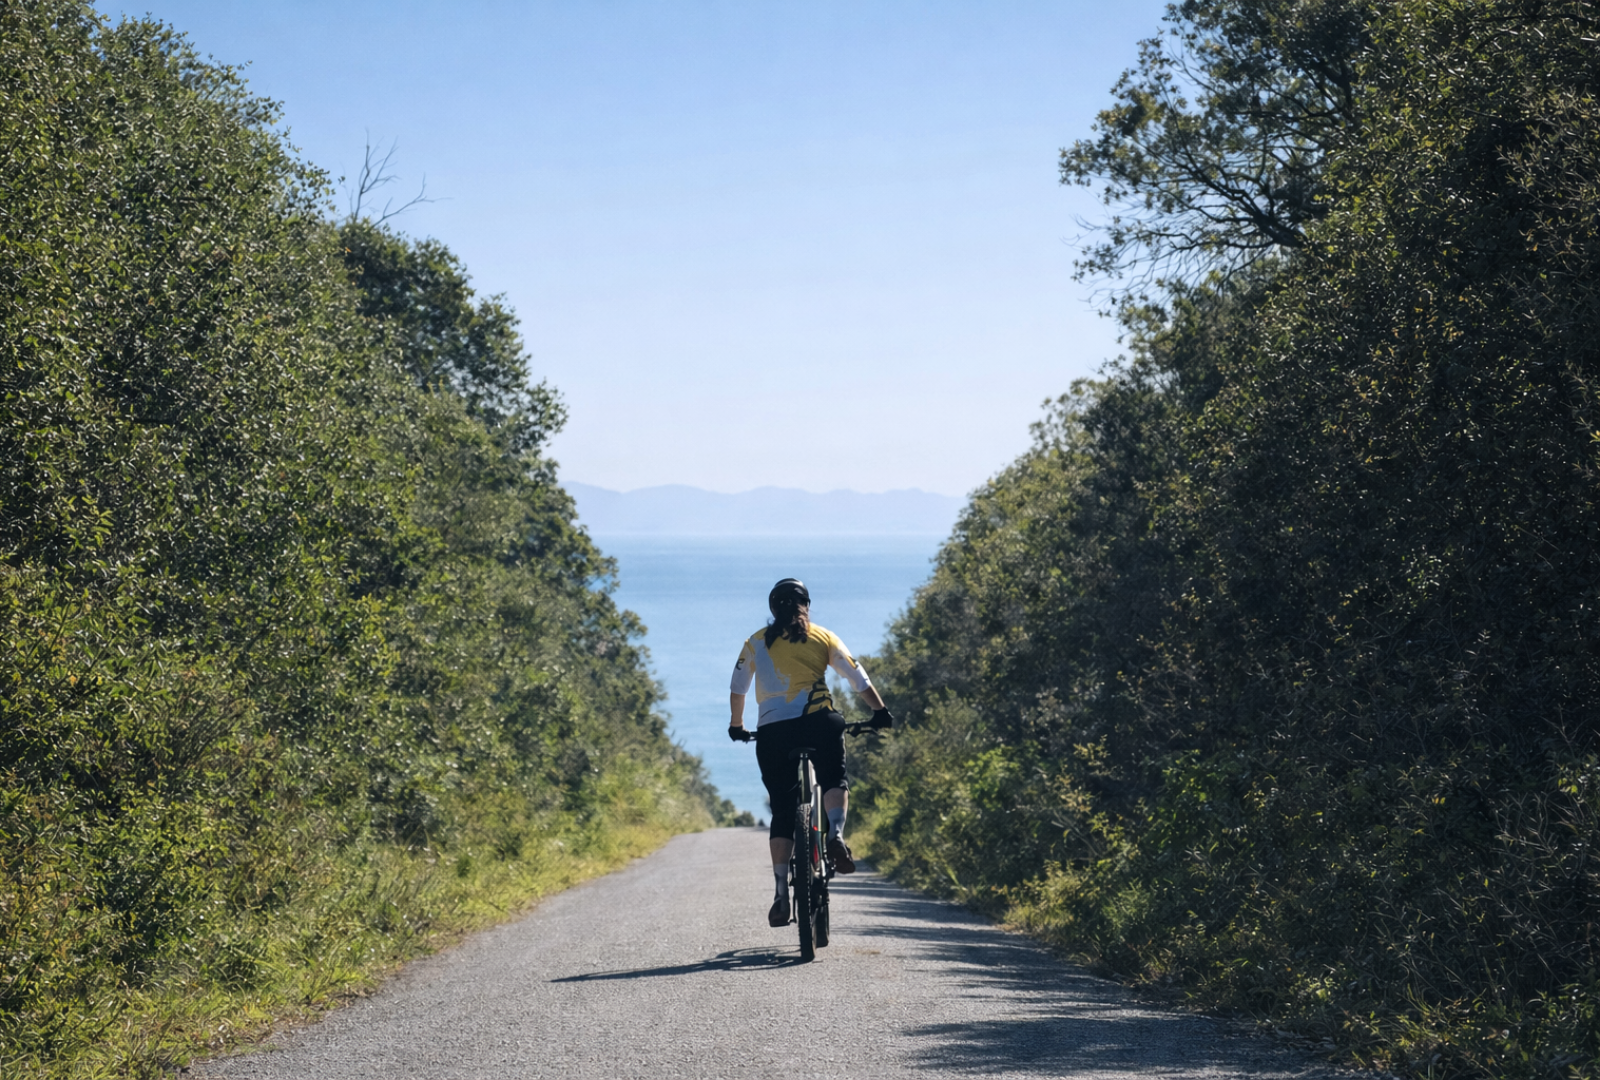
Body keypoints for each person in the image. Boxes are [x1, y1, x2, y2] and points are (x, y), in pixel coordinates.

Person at [727, 578, 894, 927]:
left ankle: (779, 892)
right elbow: (858, 679)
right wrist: (879, 713)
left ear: (773, 609)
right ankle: (834, 834)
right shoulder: (823, 636)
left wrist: (737, 725)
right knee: (834, 776)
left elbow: (737, 688)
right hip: (820, 723)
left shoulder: (756, 642)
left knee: (784, 809)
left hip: (774, 733)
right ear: (806, 606)